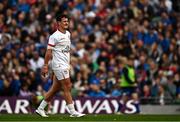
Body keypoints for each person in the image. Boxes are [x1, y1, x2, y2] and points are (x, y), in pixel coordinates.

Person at [35, 14, 85, 117]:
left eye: (67, 21)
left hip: (64, 65)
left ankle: (40, 109)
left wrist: (69, 63)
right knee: (67, 86)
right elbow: (49, 52)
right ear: (58, 23)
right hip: (58, 65)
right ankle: (72, 111)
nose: (67, 23)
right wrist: (45, 66)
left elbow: (67, 51)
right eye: (64, 21)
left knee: (55, 88)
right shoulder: (54, 36)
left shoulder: (68, 34)